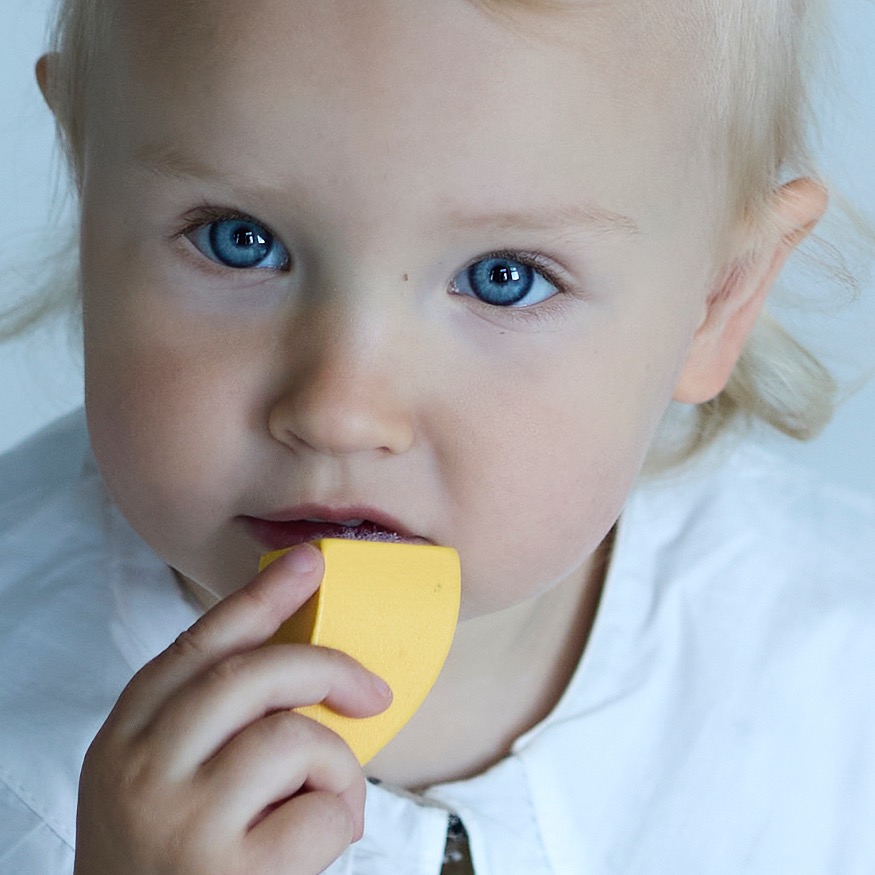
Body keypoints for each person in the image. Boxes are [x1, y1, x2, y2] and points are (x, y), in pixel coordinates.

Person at [1, 0, 873, 872]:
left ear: (717, 299)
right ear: (89, 181)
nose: (340, 411)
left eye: (504, 279)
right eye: (240, 241)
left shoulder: (834, 672)